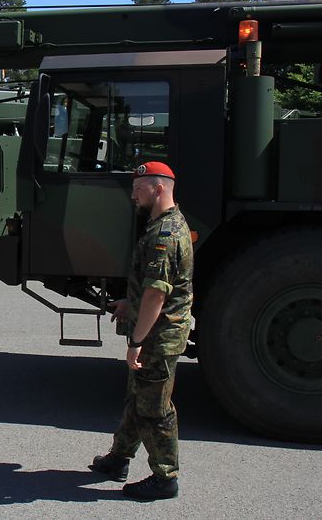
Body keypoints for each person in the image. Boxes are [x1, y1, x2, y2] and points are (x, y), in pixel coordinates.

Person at [88, 161, 194, 501]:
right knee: (138, 398)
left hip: (157, 338)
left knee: (155, 408)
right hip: (152, 329)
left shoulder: (166, 234)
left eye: (139, 188)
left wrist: (137, 341)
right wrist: (127, 303)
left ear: (159, 188)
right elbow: (149, 289)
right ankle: (118, 459)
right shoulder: (161, 225)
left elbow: (157, 293)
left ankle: (165, 477)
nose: (133, 195)